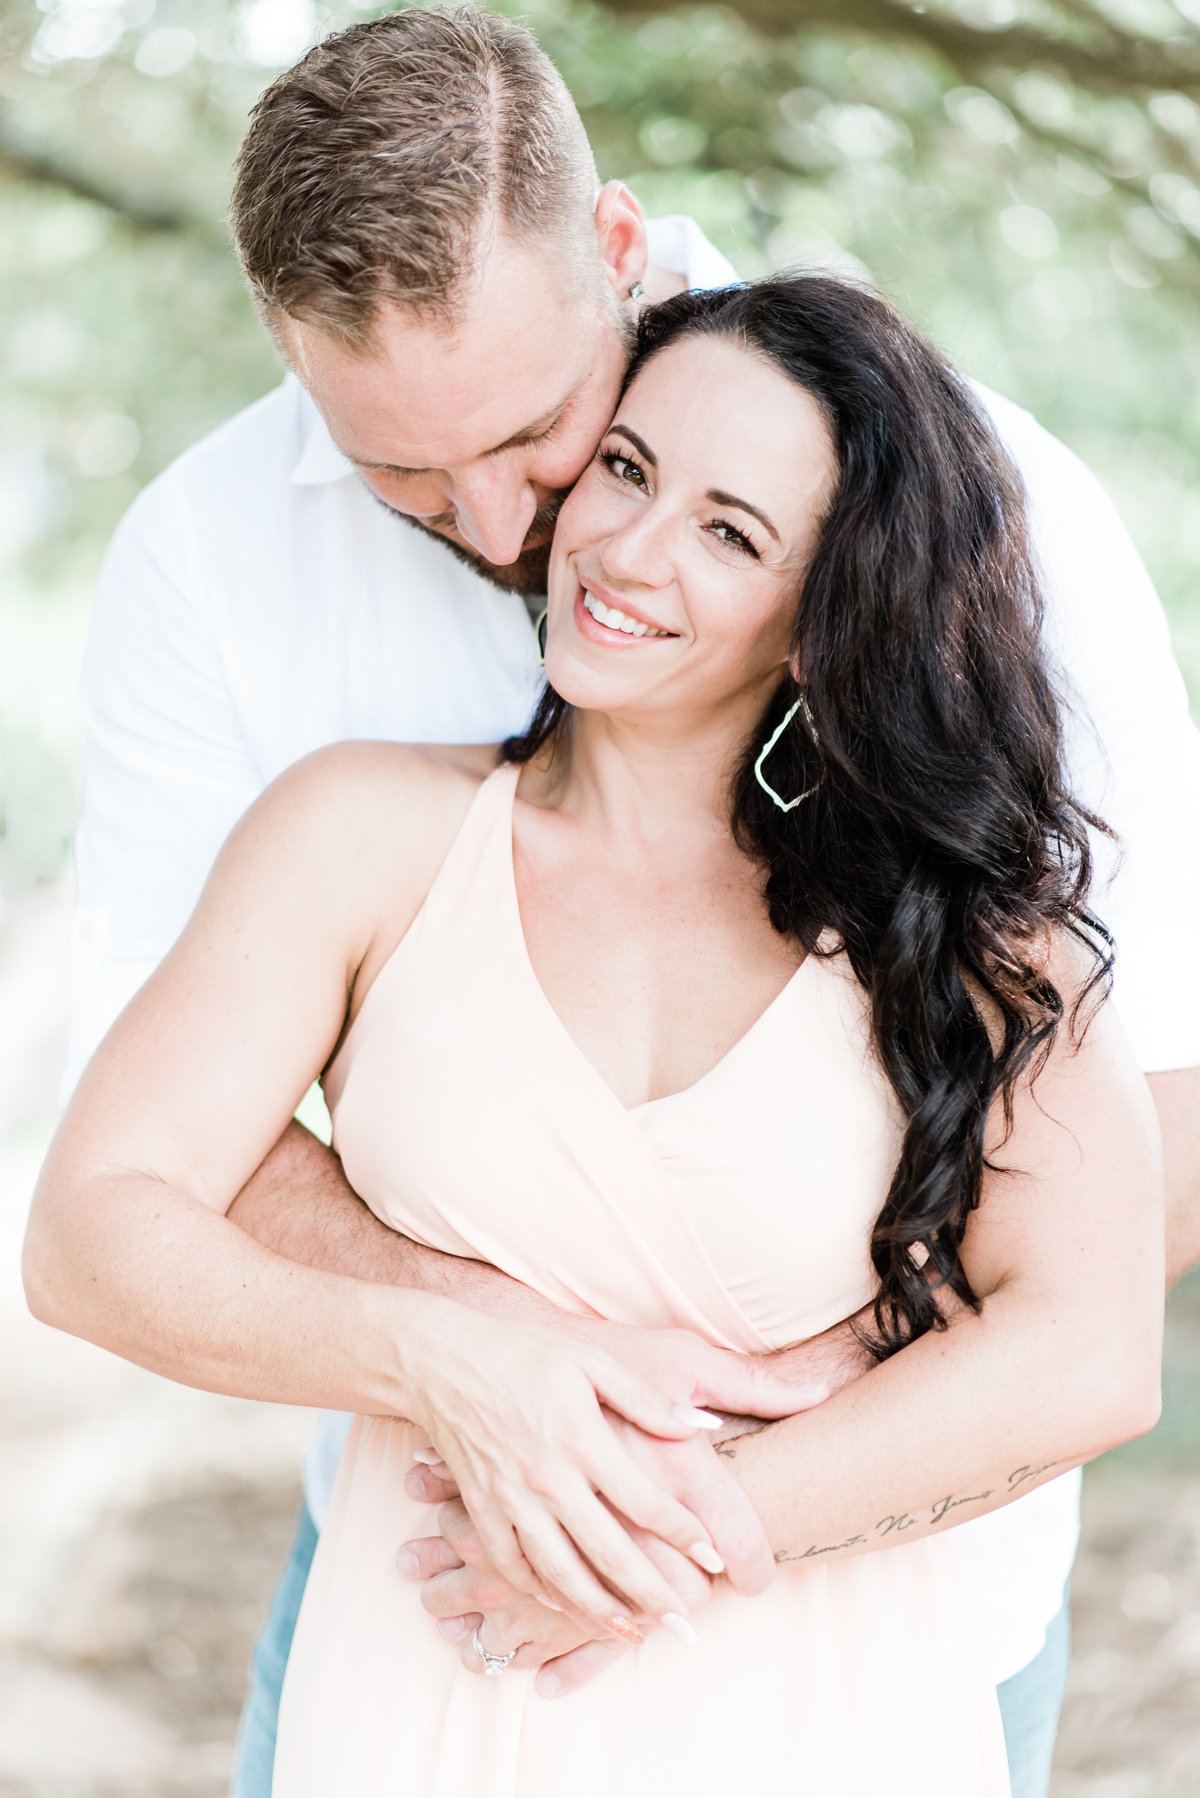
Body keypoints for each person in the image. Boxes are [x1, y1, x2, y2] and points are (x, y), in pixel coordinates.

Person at [22, 9, 1200, 1797]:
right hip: (433, 1607)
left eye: (546, 437)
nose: (522, 522)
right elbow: (143, 1164)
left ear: (621, 256)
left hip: (890, 1622)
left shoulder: (997, 577)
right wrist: (482, 1361)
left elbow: (1133, 1199)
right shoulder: (256, 643)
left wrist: (732, 1449)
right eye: (401, 473)